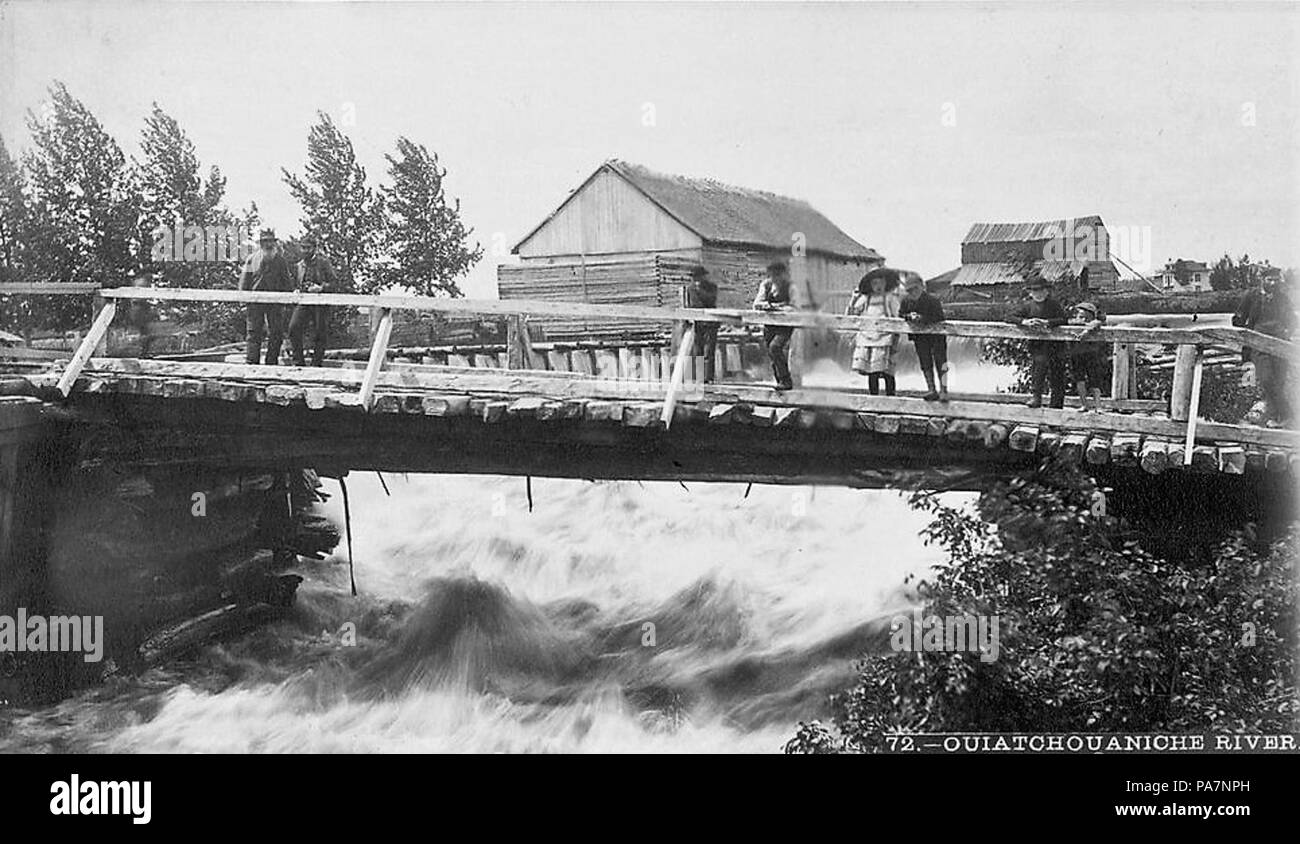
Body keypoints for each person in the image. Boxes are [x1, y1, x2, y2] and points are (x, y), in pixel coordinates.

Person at [1233, 272, 1296, 424]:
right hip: (1258, 343)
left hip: (1279, 343)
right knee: (1266, 378)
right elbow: (1239, 317)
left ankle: (1274, 419)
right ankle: (1288, 414)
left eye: (1276, 280)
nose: (1273, 284)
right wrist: (1241, 324)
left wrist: (1287, 332)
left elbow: (1292, 319)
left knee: (1279, 381)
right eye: (1270, 280)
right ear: (1262, 280)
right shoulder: (1252, 296)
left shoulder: (1282, 297)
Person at [1007, 274, 1068, 408]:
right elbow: (1010, 316)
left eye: (1041, 290)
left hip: (1055, 346)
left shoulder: (1053, 304)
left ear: (1047, 291)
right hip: (1038, 346)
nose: (1038, 294)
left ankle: (1056, 406)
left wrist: (1047, 322)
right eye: (1035, 291)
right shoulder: (1028, 306)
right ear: (1030, 292)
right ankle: (1036, 398)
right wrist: (1025, 322)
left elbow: (1064, 319)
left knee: (1057, 375)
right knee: (1038, 372)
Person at [239, 228, 295, 365]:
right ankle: (252, 362)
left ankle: (271, 362)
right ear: (261, 243)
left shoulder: (280, 261)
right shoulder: (251, 259)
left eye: (271, 241)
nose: (268, 244)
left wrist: (288, 299)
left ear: (274, 243)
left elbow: (286, 281)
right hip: (255, 300)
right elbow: (244, 281)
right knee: (253, 332)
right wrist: (242, 301)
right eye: (265, 242)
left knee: (276, 332)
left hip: (275, 301)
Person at [846, 267, 902, 395]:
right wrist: (854, 298)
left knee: (887, 371)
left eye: (881, 282)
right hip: (868, 337)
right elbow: (852, 313)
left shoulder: (889, 298)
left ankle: (890, 397)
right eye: (875, 283)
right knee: (872, 371)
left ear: (886, 283)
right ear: (870, 285)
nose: (878, 286)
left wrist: (896, 336)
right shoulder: (866, 299)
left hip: (885, 338)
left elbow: (897, 317)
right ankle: (874, 398)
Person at [288, 235, 341, 367]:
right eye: (303, 248)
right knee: (293, 328)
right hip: (304, 301)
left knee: (320, 332)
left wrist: (321, 288)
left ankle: (316, 363)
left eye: (308, 248)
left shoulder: (323, 263)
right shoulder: (299, 265)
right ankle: (298, 362)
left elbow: (335, 283)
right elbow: (295, 283)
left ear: (314, 249)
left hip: (320, 303)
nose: (305, 251)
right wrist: (296, 290)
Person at [900, 271, 949, 401]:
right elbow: (901, 314)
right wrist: (909, 316)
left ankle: (943, 390)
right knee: (925, 362)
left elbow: (939, 318)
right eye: (909, 290)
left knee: (941, 361)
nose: (913, 293)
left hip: (937, 336)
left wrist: (922, 318)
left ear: (922, 286)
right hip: (920, 337)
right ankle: (931, 389)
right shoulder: (906, 302)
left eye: (915, 289)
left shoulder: (933, 300)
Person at [753, 260, 796, 390]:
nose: (775, 278)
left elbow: (795, 307)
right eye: (772, 275)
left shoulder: (791, 287)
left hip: (785, 325)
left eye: (777, 275)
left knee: (775, 347)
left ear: (784, 274)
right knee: (771, 353)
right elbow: (757, 304)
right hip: (769, 325)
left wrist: (778, 308)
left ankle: (786, 380)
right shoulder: (766, 285)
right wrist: (767, 306)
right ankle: (780, 383)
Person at [1065, 300, 1106, 411]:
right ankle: (1084, 405)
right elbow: (1067, 325)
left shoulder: (1094, 323)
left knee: (1095, 380)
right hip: (1076, 354)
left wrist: (1086, 331)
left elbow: (1097, 323)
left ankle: (1098, 406)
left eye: (1084, 315)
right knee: (1079, 379)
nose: (1081, 317)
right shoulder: (1073, 322)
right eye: (1079, 314)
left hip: (1091, 354)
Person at [686, 265, 719, 383]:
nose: (696, 279)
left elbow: (711, 300)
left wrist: (700, 290)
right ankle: (699, 377)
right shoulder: (690, 289)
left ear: (703, 277)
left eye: (698, 277)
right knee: (698, 350)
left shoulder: (711, 287)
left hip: (710, 323)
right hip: (698, 323)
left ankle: (708, 378)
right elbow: (692, 304)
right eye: (694, 277)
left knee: (709, 351)